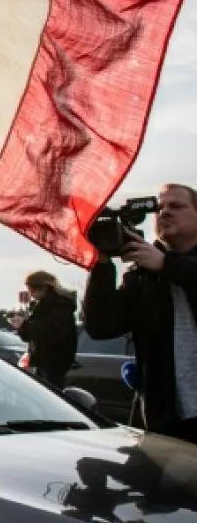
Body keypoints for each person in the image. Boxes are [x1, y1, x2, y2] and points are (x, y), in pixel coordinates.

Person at [84, 183, 197, 440]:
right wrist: (101, 265)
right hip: (166, 418)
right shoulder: (142, 274)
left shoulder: (159, 264)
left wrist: (165, 265)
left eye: (177, 206)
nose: (165, 212)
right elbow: (100, 326)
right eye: (160, 208)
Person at [10, 270, 78, 389]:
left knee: (51, 394)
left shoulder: (60, 306)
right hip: (42, 360)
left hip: (54, 361)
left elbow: (51, 333)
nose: (31, 294)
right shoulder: (40, 306)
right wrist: (21, 327)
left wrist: (25, 325)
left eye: (32, 290)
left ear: (43, 288)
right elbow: (31, 335)